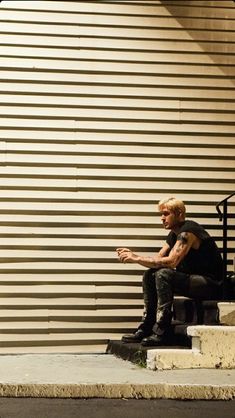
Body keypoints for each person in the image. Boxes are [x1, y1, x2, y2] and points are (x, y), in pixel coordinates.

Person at [116, 197, 223, 346]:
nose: (162, 218)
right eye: (161, 214)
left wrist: (136, 258)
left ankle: (162, 331)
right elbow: (159, 259)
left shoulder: (188, 232)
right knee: (150, 274)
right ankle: (147, 326)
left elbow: (172, 261)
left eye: (166, 214)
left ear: (179, 214)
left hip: (211, 284)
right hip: (193, 280)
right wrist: (135, 256)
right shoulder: (173, 234)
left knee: (163, 274)